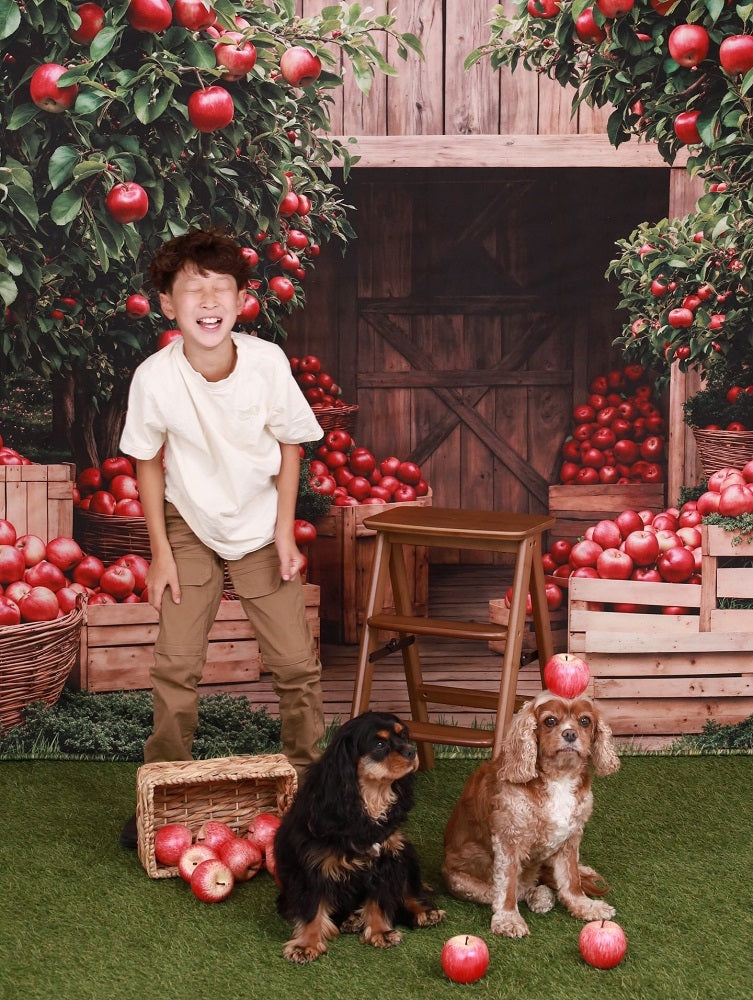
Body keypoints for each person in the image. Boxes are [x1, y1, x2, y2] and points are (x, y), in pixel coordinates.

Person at [118, 227, 325, 848]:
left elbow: (292, 444)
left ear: (241, 302)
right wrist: (160, 553)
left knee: (294, 663)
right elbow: (148, 463)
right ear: (167, 305)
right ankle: (164, 792)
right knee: (177, 663)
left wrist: (285, 533)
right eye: (192, 290)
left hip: (260, 523)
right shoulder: (155, 378)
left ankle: (313, 794)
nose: (207, 301)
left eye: (220, 290)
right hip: (189, 524)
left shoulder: (266, 364)